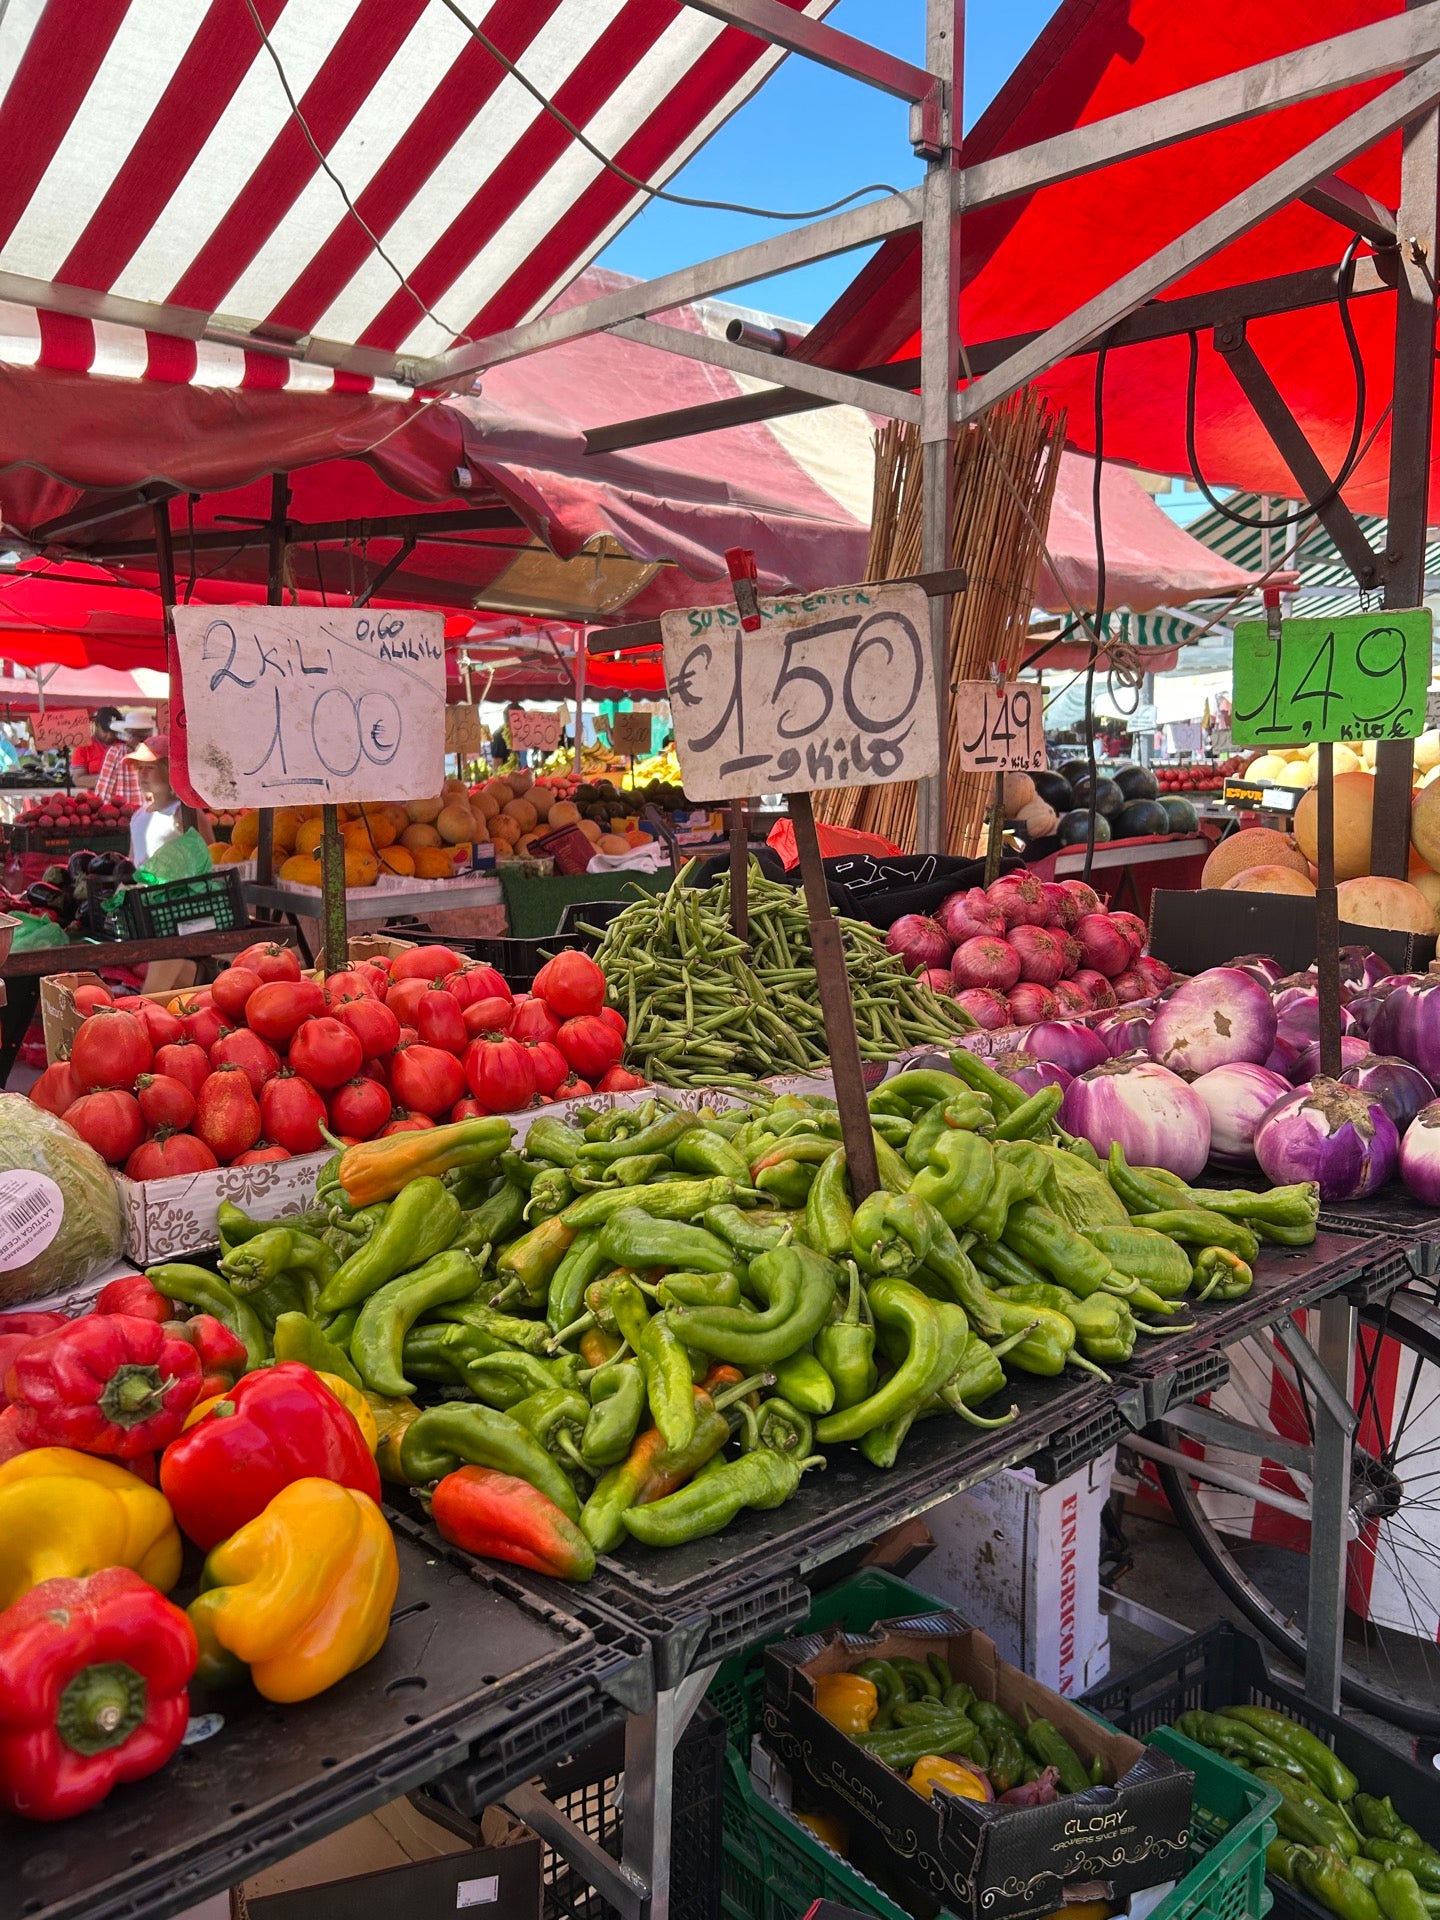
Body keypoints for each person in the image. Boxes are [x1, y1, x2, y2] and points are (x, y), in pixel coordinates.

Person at [125, 735, 181, 869]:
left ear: (170, 771)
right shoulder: (138, 816)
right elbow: (132, 861)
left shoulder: (182, 813)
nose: (142, 773)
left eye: (150, 767)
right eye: (139, 767)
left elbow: (209, 859)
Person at [96, 710, 150, 811]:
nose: (137, 740)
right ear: (127, 735)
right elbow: (104, 789)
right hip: (123, 813)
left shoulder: (156, 753)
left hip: (150, 813)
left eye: (142, 737)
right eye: (134, 735)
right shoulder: (115, 752)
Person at [71, 706, 126, 787]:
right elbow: (78, 780)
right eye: (105, 731)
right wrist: (108, 778)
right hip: (94, 797)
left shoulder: (124, 746)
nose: (109, 736)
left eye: (114, 732)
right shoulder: (83, 746)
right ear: (96, 725)